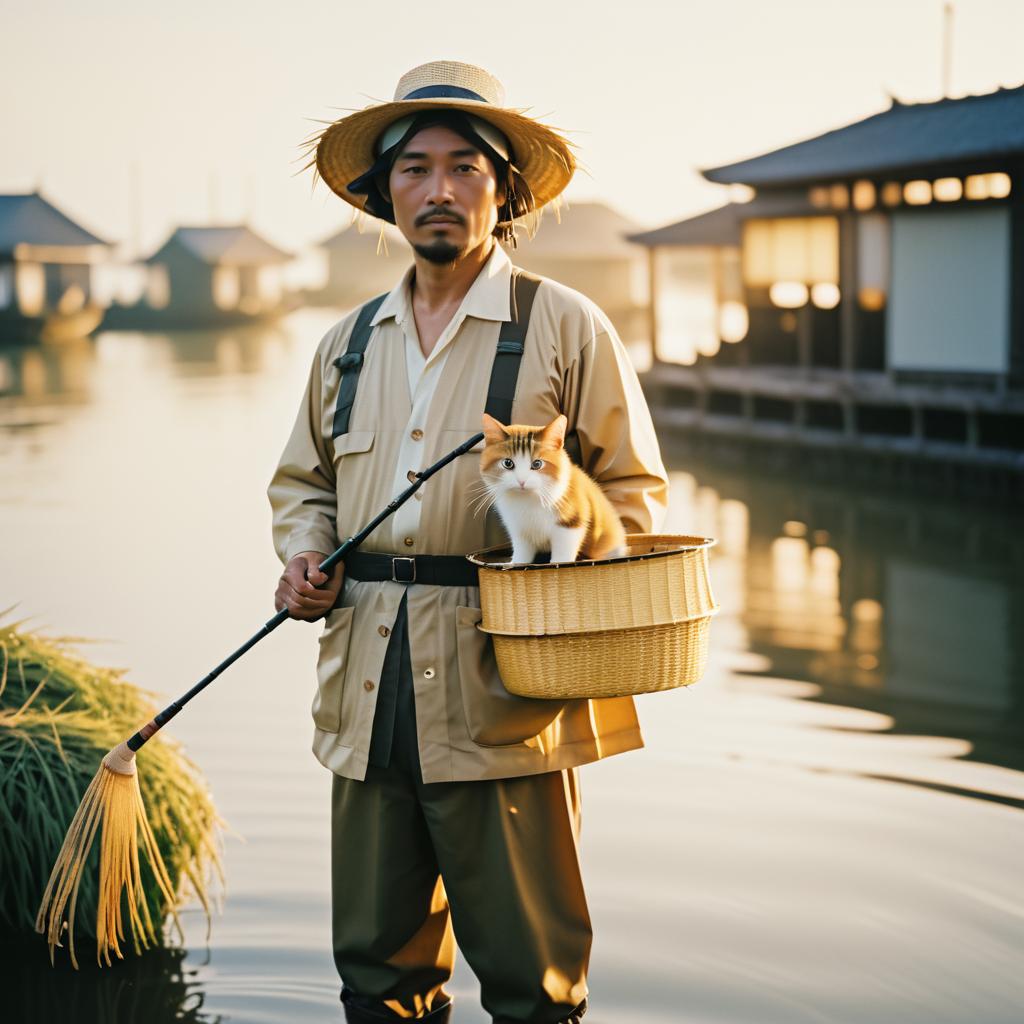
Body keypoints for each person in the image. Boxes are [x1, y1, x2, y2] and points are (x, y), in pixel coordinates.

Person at [267, 60, 669, 1024]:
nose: (437, 190)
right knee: (376, 973)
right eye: (413, 169)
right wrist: (302, 559)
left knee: (534, 982)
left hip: (509, 698)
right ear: (383, 194)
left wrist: (560, 613)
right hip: (364, 686)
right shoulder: (347, 342)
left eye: (464, 167)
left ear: (506, 190)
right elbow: (303, 484)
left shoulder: (565, 325)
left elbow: (634, 499)